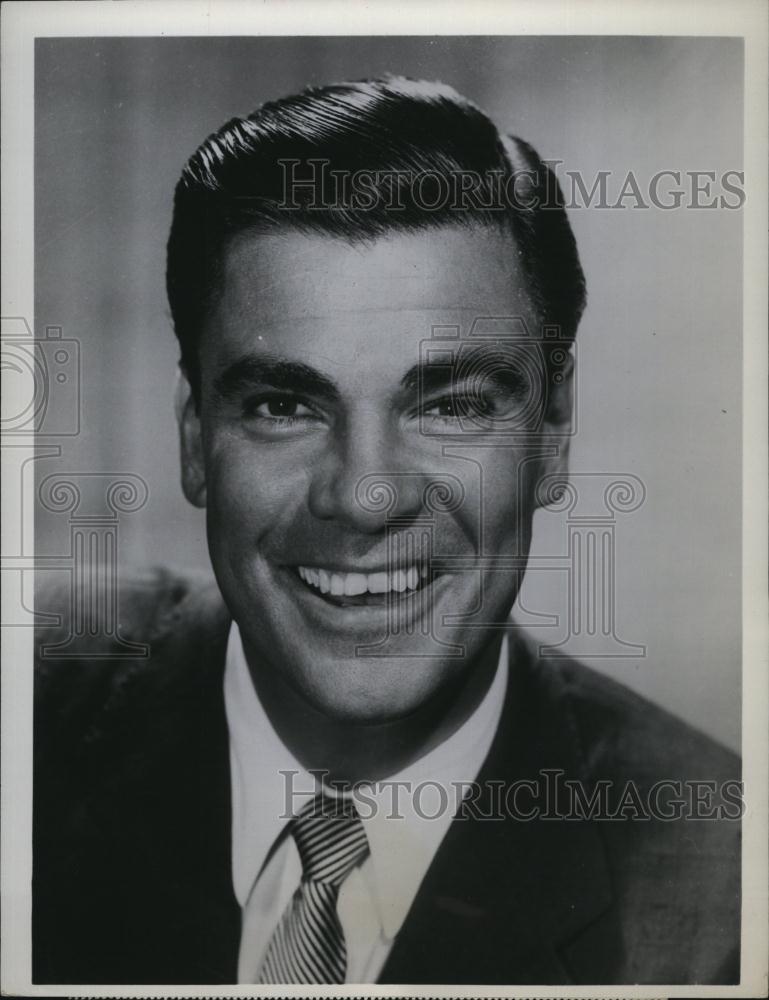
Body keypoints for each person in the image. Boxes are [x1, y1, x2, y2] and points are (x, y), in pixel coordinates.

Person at [33, 76, 740, 986]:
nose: (366, 498)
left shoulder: (724, 903)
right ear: (194, 435)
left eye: (449, 406)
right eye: (284, 404)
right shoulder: (31, 701)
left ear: (552, 435)